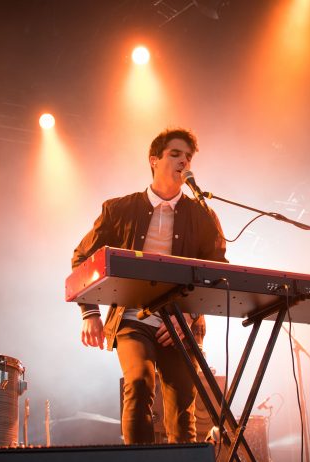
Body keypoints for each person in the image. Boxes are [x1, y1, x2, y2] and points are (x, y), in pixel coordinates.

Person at [72, 127, 227, 444]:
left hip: (182, 322)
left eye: (188, 157)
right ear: (154, 160)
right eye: (175, 154)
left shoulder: (203, 215)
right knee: (140, 383)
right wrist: (90, 312)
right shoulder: (119, 209)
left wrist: (189, 316)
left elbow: (217, 273)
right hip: (133, 317)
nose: (183, 161)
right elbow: (82, 258)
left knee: (182, 406)